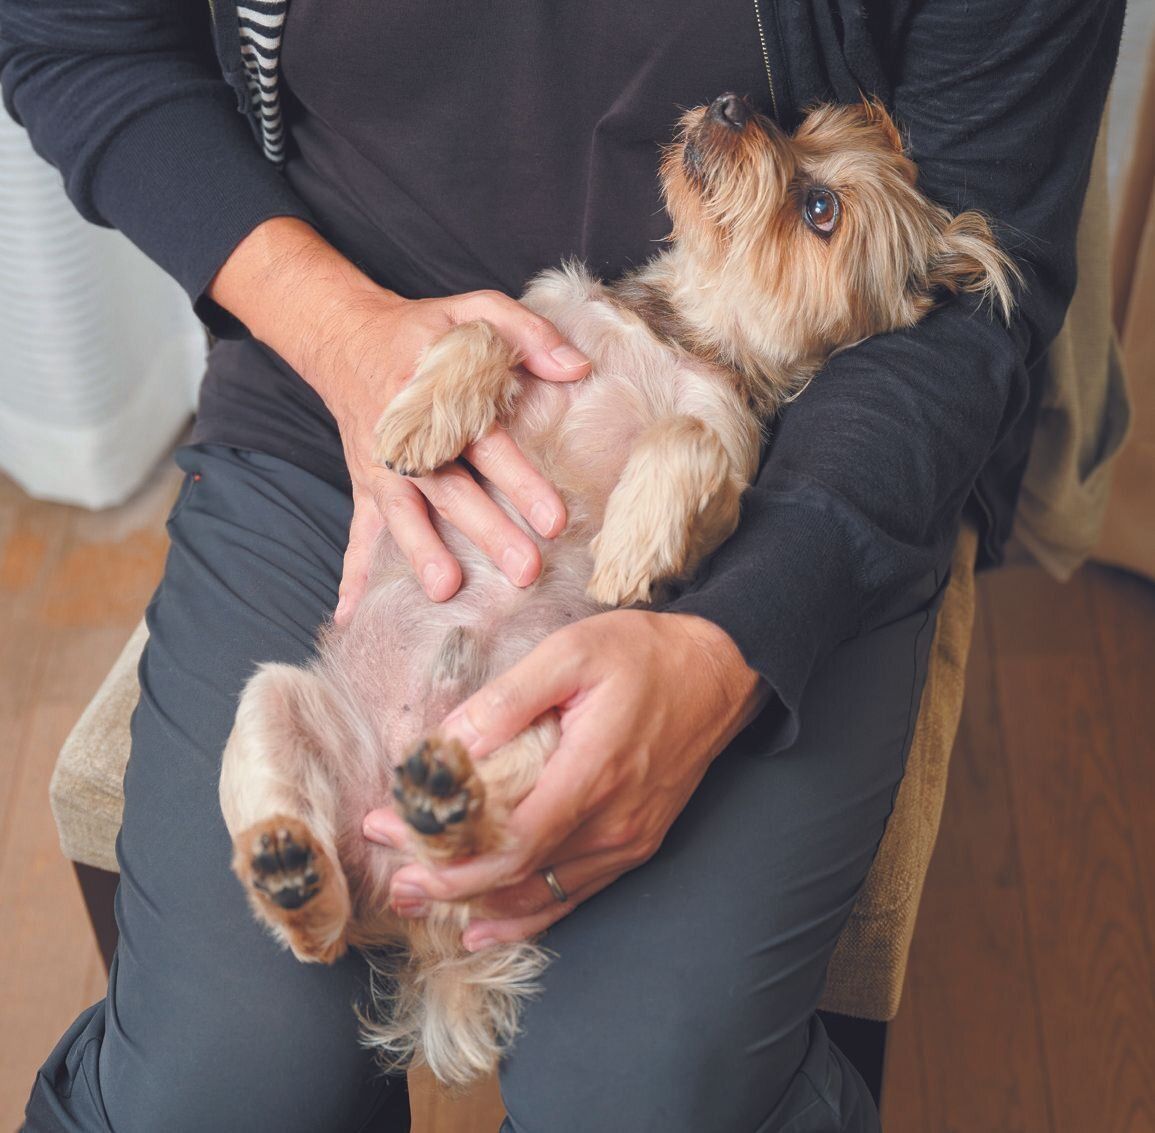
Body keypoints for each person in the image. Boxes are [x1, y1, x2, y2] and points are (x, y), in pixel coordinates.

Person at [2, 2, 1121, 1130]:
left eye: (817, 200)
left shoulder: (733, 420)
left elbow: (987, 271)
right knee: (214, 1092)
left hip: (808, 474)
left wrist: (730, 637)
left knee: (643, 1093)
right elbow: (75, 44)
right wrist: (338, 331)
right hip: (330, 393)